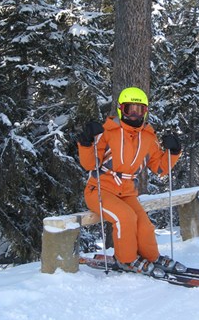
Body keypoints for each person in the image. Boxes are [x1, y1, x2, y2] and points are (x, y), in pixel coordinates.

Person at [77, 86, 185, 278]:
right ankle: (126, 259)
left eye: (139, 110)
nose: (134, 115)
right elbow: (88, 164)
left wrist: (173, 152)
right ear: (121, 109)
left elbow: (160, 168)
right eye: (130, 109)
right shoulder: (108, 132)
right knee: (125, 217)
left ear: (145, 111)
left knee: (144, 225)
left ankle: (152, 257)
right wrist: (86, 142)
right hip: (100, 190)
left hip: (127, 192)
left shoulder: (148, 137)